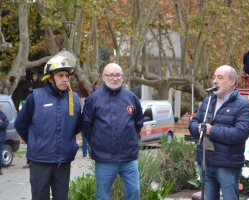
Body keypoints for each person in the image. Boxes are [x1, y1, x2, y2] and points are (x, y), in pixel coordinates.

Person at [14, 54, 82, 200]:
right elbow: (21, 124)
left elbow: (76, 126)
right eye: (60, 75)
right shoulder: (35, 97)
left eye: (67, 76)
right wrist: (35, 142)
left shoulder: (74, 99)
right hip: (40, 161)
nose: (65, 79)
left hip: (63, 162)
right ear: (50, 78)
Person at [188, 65, 249, 200]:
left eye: (220, 78)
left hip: (227, 165)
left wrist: (212, 130)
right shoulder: (208, 101)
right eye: (214, 77)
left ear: (232, 82)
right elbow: (193, 123)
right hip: (206, 162)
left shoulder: (242, 104)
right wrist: (198, 128)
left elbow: (241, 133)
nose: (215, 81)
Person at [82, 63, 144, 200]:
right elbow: (86, 125)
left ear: (122, 76)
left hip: (128, 158)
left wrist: (130, 138)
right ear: (103, 77)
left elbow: (138, 122)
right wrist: (97, 142)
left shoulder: (131, 97)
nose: (114, 78)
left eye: (118, 75)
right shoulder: (93, 99)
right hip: (104, 159)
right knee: (102, 196)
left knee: (134, 192)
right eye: (111, 75)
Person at [0, 103, 9, 175]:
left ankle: (0, 169)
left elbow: (5, 124)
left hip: (1, 139)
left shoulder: (3, 115)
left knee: (0, 155)